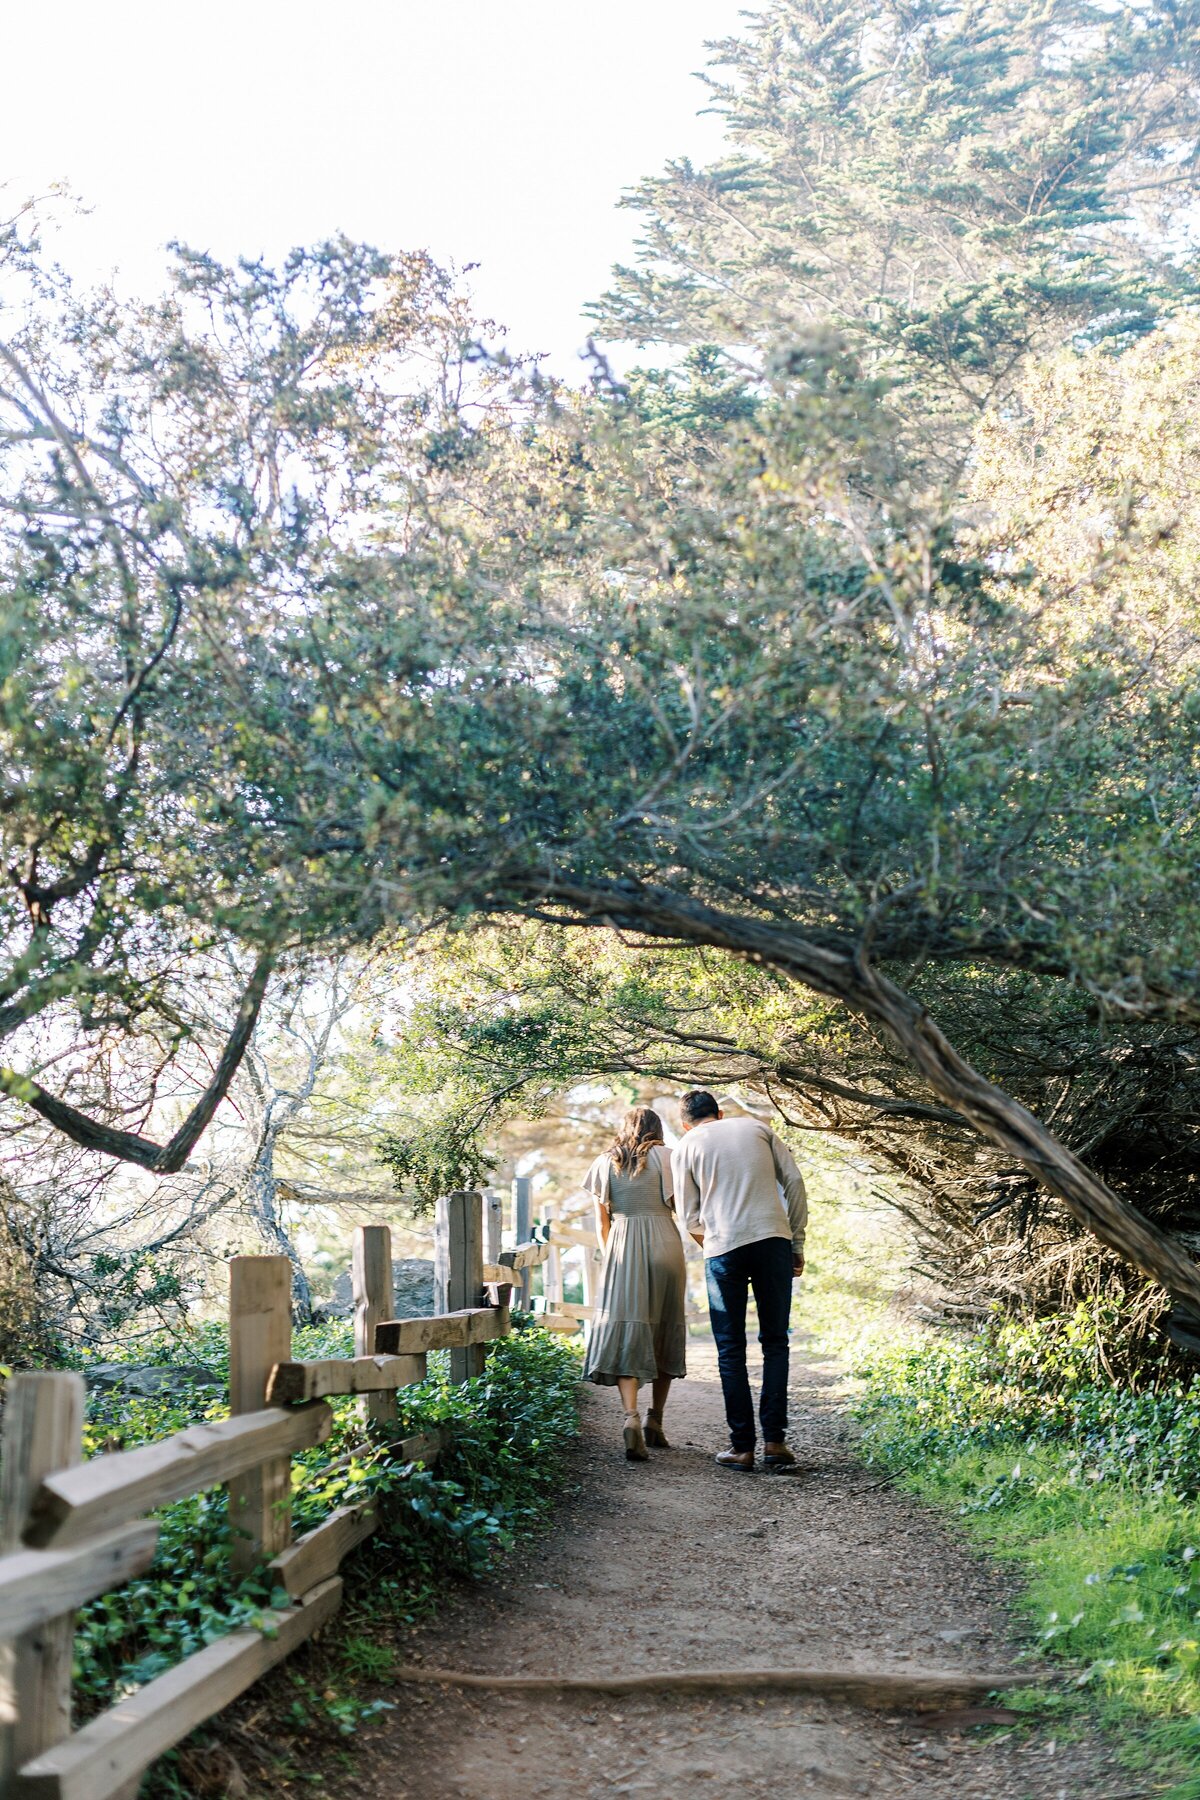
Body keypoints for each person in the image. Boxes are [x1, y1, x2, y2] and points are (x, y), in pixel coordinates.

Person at [672, 1090, 807, 1473]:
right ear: (720, 1112)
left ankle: (742, 1447)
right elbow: (794, 1183)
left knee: (730, 1348)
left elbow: (689, 1215)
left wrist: (712, 1242)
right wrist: (796, 1241)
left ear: (686, 1123)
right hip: (773, 1240)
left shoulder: (685, 1146)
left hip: (723, 1250)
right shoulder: (757, 1128)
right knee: (775, 1341)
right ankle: (776, 1442)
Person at [581, 1106, 688, 1461]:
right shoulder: (669, 1158)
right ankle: (656, 1421)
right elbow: (681, 1208)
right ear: (658, 1129)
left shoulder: (605, 1163)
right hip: (665, 1242)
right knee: (664, 1328)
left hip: (623, 1246)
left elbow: (601, 1223)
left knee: (629, 1329)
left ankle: (631, 1417)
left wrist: (613, 1255)